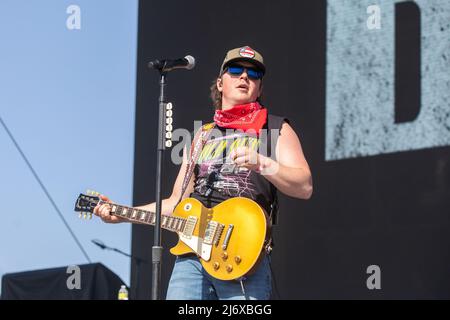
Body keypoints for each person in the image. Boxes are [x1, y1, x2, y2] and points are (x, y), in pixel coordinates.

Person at [94, 46, 313, 300]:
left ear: (260, 89)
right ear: (220, 83)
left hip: (241, 255)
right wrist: (122, 214)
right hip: (191, 259)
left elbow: (304, 185)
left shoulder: (275, 128)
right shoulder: (201, 136)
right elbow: (174, 203)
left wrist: (263, 163)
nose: (244, 77)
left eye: (253, 74)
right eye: (235, 70)